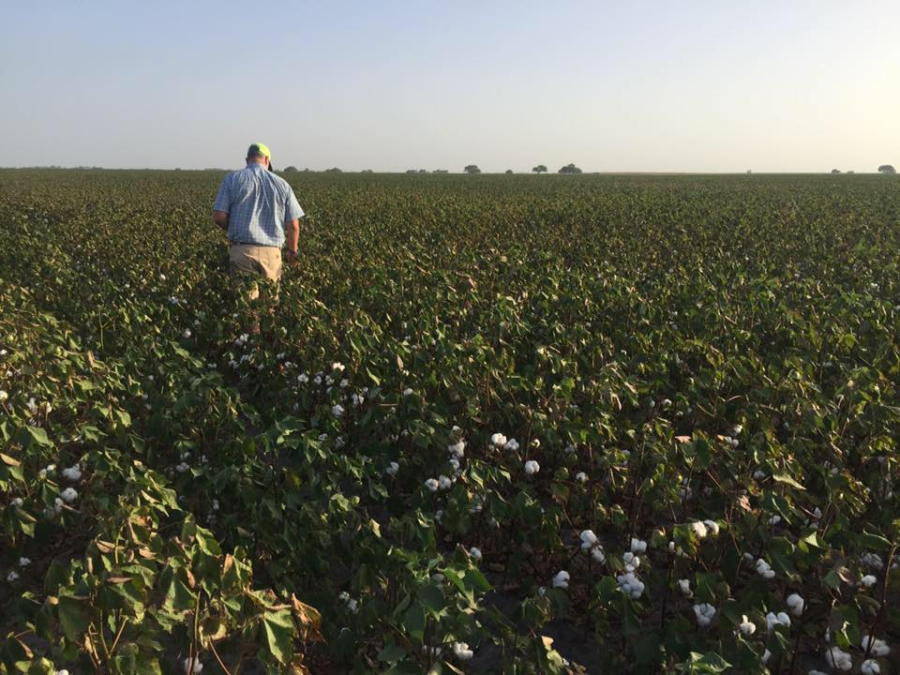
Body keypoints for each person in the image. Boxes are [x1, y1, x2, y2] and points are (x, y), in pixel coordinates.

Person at [212, 143, 304, 303]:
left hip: (242, 251)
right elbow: (293, 226)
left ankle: (249, 321)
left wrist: (232, 227)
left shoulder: (232, 179)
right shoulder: (282, 184)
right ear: (267, 160)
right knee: (269, 305)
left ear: (247, 159)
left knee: (246, 306)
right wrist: (292, 253)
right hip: (272, 254)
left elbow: (219, 217)